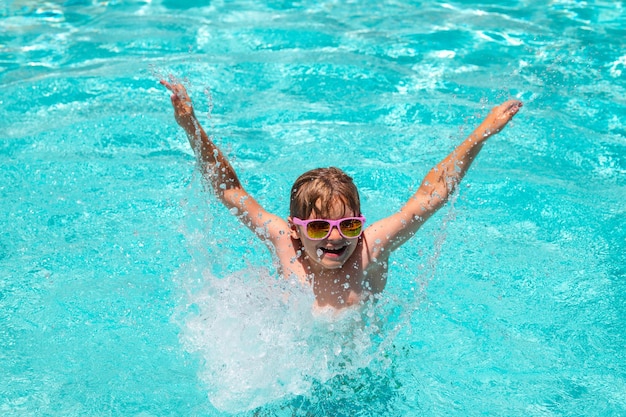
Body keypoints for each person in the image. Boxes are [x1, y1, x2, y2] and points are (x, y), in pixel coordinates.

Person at [161, 79, 522, 310]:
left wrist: (484, 132)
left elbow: (432, 195)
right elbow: (229, 188)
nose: (335, 238)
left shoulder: (371, 248)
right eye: (319, 227)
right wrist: (191, 127)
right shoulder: (283, 241)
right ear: (295, 227)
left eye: (348, 225)